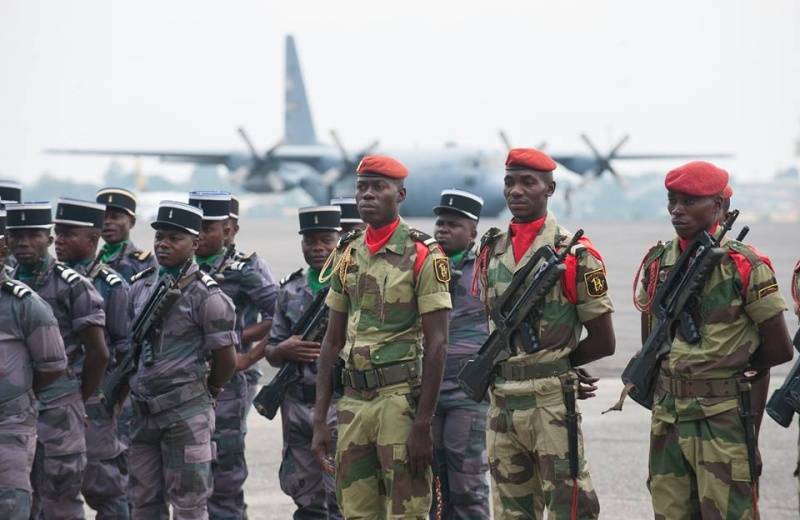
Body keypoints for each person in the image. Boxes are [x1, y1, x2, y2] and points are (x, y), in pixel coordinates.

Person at [635, 161, 792, 518]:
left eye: (689, 201)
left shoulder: (744, 264)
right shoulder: (657, 263)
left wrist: (745, 424)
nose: (677, 209)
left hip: (722, 420)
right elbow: (652, 344)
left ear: (719, 206)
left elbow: (778, 349)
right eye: (672, 200)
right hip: (669, 418)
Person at [473, 148, 615, 519]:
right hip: (502, 400)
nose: (516, 191)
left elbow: (604, 339)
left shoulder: (575, 255)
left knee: (571, 506)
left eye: (527, 182)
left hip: (551, 402)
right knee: (509, 509)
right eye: (509, 182)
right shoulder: (491, 249)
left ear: (549, 188)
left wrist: (560, 365)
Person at [311, 155, 452, 518]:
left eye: (378, 187)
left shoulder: (423, 254)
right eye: (362, 187)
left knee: (406, 511)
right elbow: (332, 340)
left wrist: (423, 424)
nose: (367, 195)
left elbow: (438, 345)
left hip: (398, 403)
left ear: (400, 194)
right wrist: (320, 418)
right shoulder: (348, 252)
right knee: (356, 511)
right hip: (353, 403)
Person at [125, 200, 238, 519]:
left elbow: (226, 359)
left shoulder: (208, 296)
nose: (163, 244)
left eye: (175, 238)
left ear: (196, 243)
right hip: (144, 414)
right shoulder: (141, 286)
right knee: (143, 503)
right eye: (160, 236)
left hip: (185, 415)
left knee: (189, 506)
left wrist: (210, 393)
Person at [7, 201, 109, 519]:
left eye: (33, 234)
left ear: (49, 239)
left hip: (59, 412)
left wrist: (81, 399)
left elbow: (99, 353)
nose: (23, 243)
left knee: (60, 503)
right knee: (19, 501)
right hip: (13, 415)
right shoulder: (6, 286)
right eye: (17, 235)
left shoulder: (72, 286)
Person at [189, 191, 276, 519]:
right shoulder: (179, 265)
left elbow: (281, 315)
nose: (198, 235)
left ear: (228, 230)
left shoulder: (245, 269)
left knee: (224, 469)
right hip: (185, 379)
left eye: (206, 228)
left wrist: (241, 347)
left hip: (228, 382)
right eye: (193, 227)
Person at [52, 197, 132, 518]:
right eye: (57, 233)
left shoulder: (110, 285)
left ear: (92, 239)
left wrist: (110, 401)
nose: (59, 241)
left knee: (106, 488)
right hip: (50, 402)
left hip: (95, 401)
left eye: (68, 234)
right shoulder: (45, 281)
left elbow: (123, 352)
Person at [263, 205, 343, 519]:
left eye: (326, 240)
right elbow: (269, 351)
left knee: (343, 497)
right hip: (296, 406)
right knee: (306, 498)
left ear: (340, 241)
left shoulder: (351, 286)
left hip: (339, 404)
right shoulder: (290, 289)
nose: (318, 248)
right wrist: (285, 349)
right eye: (310, 241)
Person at [0, 208, 68, 520]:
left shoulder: (25, 304)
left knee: (12, 506)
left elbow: (53, 365)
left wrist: (19, 392)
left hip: (10, 426)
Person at [430, 189, 490, 519]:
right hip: (426, 391)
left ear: (473, 232)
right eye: (440, 223)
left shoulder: (485, 269)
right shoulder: (422, 266)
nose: (443, 230)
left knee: (466, 484)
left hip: (467, 392)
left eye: (454, 224)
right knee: (433, 485)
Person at [225, 194, 279, 415]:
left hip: (234, 373)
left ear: (233, 229)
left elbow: (277, 317)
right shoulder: (182, 265)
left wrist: (235, 338)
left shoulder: (250, 268)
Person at [96, 187, 158, 282]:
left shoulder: (145, 263)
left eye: (115, 217)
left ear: (132, 222)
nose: (107, 222)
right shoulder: (92, 261)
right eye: (103, 217)